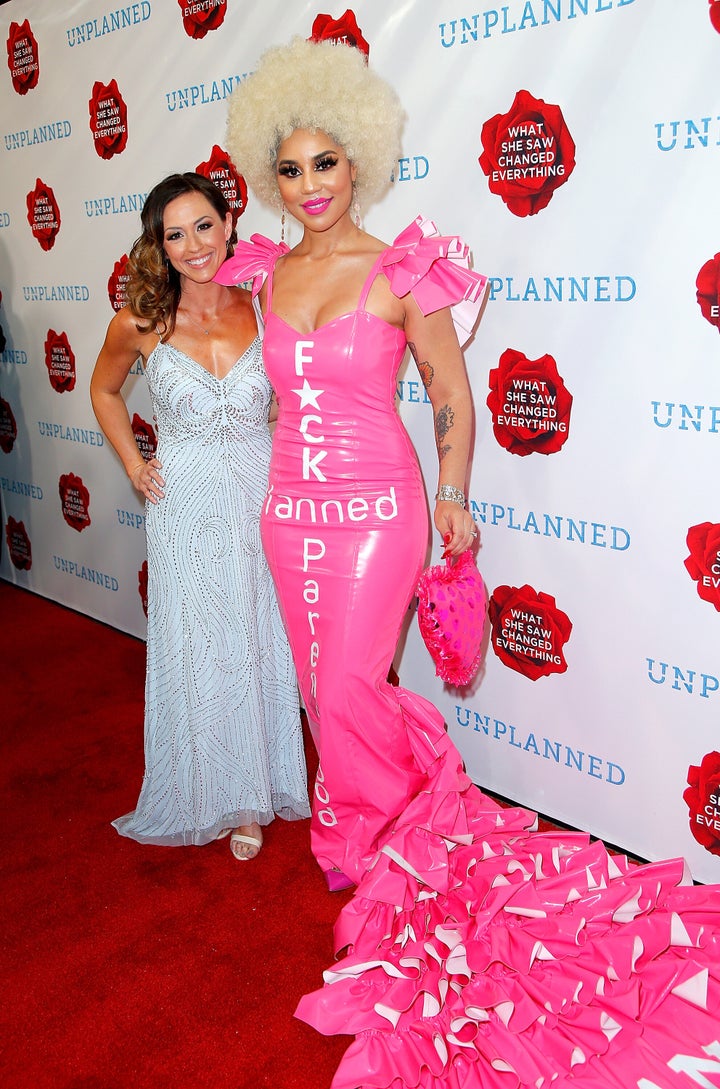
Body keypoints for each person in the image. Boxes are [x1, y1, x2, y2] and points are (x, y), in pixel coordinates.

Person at [218, 38, 720, 1089]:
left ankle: (369, 854)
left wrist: (452, 497)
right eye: (293, 168)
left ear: (359, 159)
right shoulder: (263, 274)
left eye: (328, 163)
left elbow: (451, 393)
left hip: (378, 512)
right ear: (273, 175)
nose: (312, 186)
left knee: (353, 682)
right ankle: (379, 830)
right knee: (325, 691)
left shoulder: (403, 267)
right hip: (287, 514)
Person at [91, 172, 310, 860]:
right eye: (174, 234)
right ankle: (217, 792)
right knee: (202, 645)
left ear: (229, 224)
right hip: (183, 504)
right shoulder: (141, 322)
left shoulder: (267, 304)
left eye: (204, 226)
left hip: (261, 495)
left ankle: (261, 784)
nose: (193, 245)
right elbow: (101, 389)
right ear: (159, 245)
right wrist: (133, 462)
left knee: (259, 637)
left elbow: (294, 395)